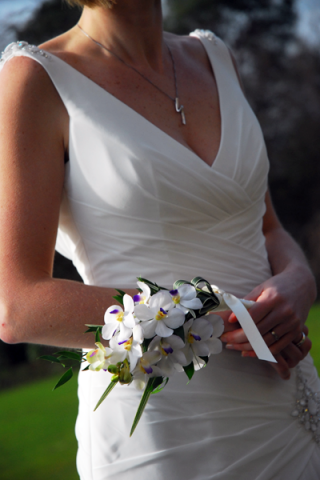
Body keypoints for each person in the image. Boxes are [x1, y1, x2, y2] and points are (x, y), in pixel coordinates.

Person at [0, 0, 319, 478]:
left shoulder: (214, 56)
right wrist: (215, 313)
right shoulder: (37, 79)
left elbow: (267, 226)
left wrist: (298, 282)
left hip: (286, 401)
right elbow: (18, 306)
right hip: (165, 427)